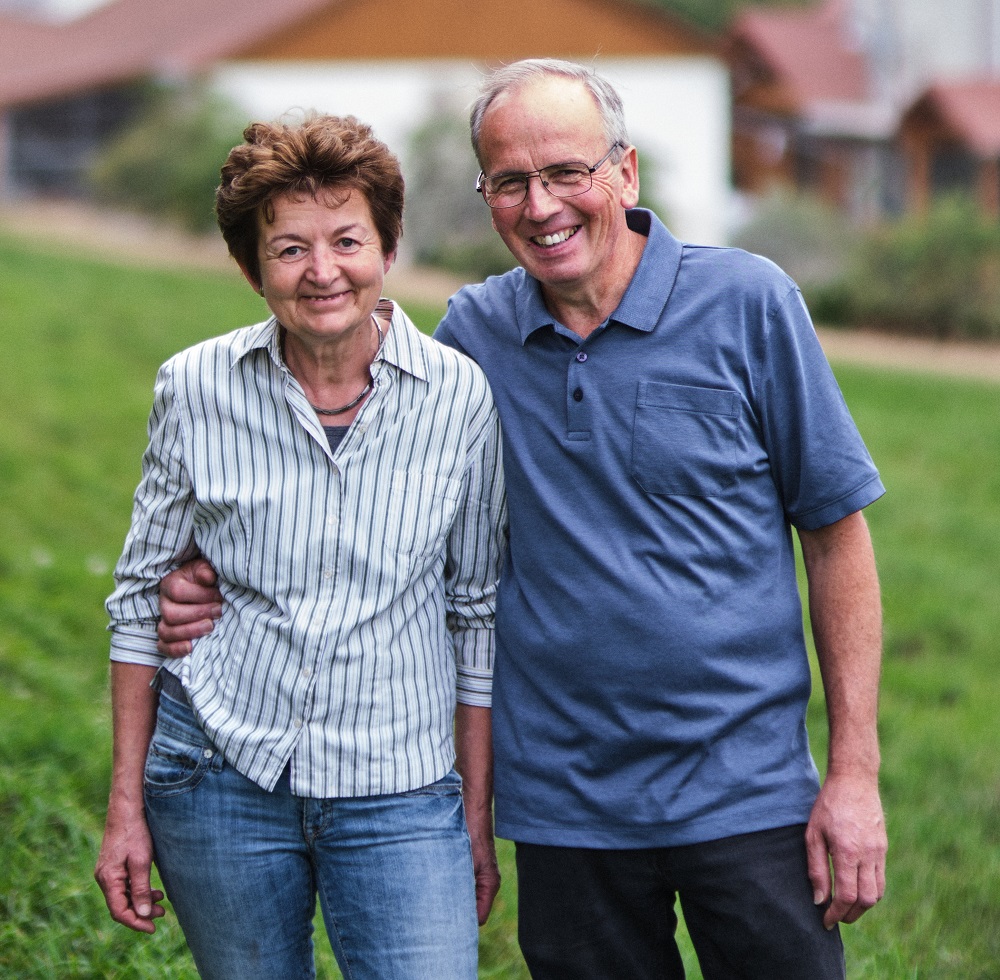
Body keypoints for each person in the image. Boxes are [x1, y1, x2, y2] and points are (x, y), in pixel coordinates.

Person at [158, 60, 888, 979]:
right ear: (486, 197)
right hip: (563, 812)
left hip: (747, 799)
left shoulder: (750, 305)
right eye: (509, 182)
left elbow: (835, 535)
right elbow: (359, 484)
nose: (540, 205)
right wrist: (213, 566)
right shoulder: (475, 338)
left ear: (625, 173)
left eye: (566, 173)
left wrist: (853, 777)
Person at [94, 114, 506, 980]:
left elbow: (474, 611)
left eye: (348, 239)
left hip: (400, 785)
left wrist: (474, 812)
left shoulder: (459, 398)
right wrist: (124, 807)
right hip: (218, 775)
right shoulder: (195, 386)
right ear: (251, 268)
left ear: (388, 246)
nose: (323, 272)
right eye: (289, 249)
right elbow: (138, 600)